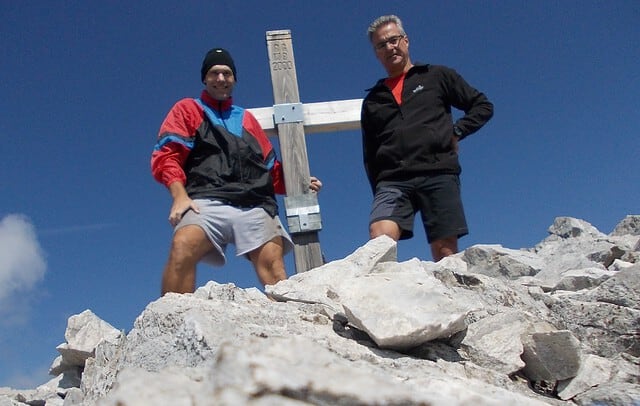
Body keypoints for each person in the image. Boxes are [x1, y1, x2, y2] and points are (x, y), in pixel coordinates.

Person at [151, 47, 322, 295]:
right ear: (205, 78)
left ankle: (289, 327)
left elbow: (269, 169)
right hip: (206, 200)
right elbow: (166, 155)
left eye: (227, 73)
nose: (221, 78)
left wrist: (299, 182)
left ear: (234, 79)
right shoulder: (188, 109)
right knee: (182, 247)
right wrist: (179, 196)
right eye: (214, 73)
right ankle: (170, 325)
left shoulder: (247, 120)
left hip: (254, 203)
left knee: (275, 269)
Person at [361, 15, 493, 261]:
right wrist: (378, 189)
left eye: (393, 40)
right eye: (381, 45)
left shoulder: (437, 76)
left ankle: (450, 297)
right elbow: (369, 154)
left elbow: (482, 105)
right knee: (379, 241)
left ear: (406, 40)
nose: (390, 47)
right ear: (376, 53)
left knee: (445, 252)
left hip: (438, 171)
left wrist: (457, 131)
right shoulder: (373, 100)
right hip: (393, 180)